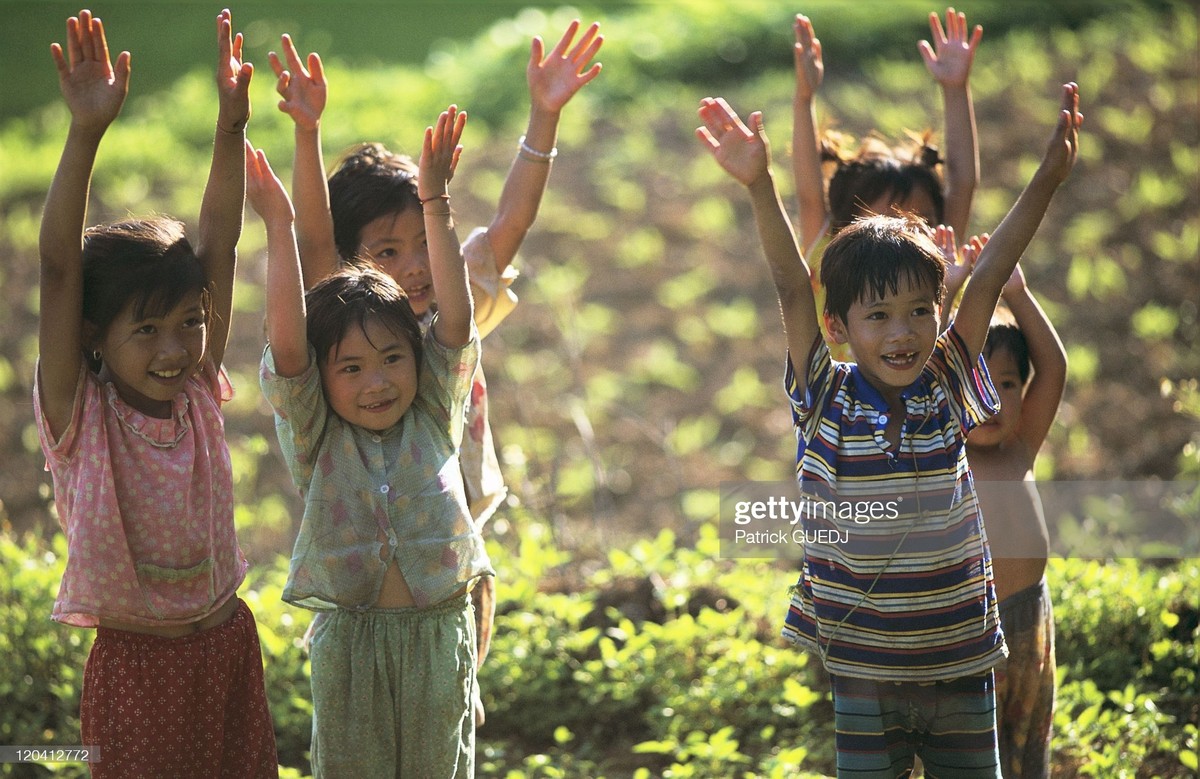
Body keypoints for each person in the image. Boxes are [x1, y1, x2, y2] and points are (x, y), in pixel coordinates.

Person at [695, 81, 1080, 776]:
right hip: (865, 670)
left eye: (918, 312)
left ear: (939, 313)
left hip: (962, 658)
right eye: (878, 316)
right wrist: (759, 185)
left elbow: (988, 274)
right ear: (838, 327)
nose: (902, 333)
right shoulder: (823, 394)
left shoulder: (946, 381)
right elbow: (790, 287)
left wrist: (1050, 179)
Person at [266, 19, 603, 725]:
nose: (416, 265)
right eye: (387, 251)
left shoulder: (453, 304)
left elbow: (510, 220)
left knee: (447, 711)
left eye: (423, 241)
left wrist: (543, 116)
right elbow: (314, 239)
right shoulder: (349, 319)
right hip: (369, 566)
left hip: (454, 548)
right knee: (367, 722)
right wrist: (305, 133)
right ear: (354, 263)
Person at [33, 10, 277, 777]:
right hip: (140, 669)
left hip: (227, 645)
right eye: (147, 332)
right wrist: (86, 132)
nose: (175, 349)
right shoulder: (81, 415)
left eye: (190, 323)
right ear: (97, 335)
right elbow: (60, 271)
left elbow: (221, 241)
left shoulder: (199, 388)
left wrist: (231, 126)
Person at [251, 105, 491, 777]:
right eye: (350, 367)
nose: (376, 381)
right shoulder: (316, 432)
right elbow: (290, 340)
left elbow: (456, 321)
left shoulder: (434, 408)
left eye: (391, 358)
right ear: (321, 379)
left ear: (418, 358)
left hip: (439, 633)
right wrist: (278, 227)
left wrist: (437, 203)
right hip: (350, 643)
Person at [792, 8, 981, 352]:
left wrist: (956, 88)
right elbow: (808, 193)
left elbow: (963, 182)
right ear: (843, 229)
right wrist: (804, 98)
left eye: (918, 222)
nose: (903, 232)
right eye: (886, 220)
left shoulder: (937, 258)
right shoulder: (828, 258)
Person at [959, 249, 1066, 778]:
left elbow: (1055, 367)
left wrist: (1018, 297)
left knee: (1026, 749)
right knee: (971, 753)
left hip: (1029, 624)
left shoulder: (1019, 447)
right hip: (965, 633)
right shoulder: (942, 458)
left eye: (1004, 384)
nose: (992, 401)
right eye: (973, 385)